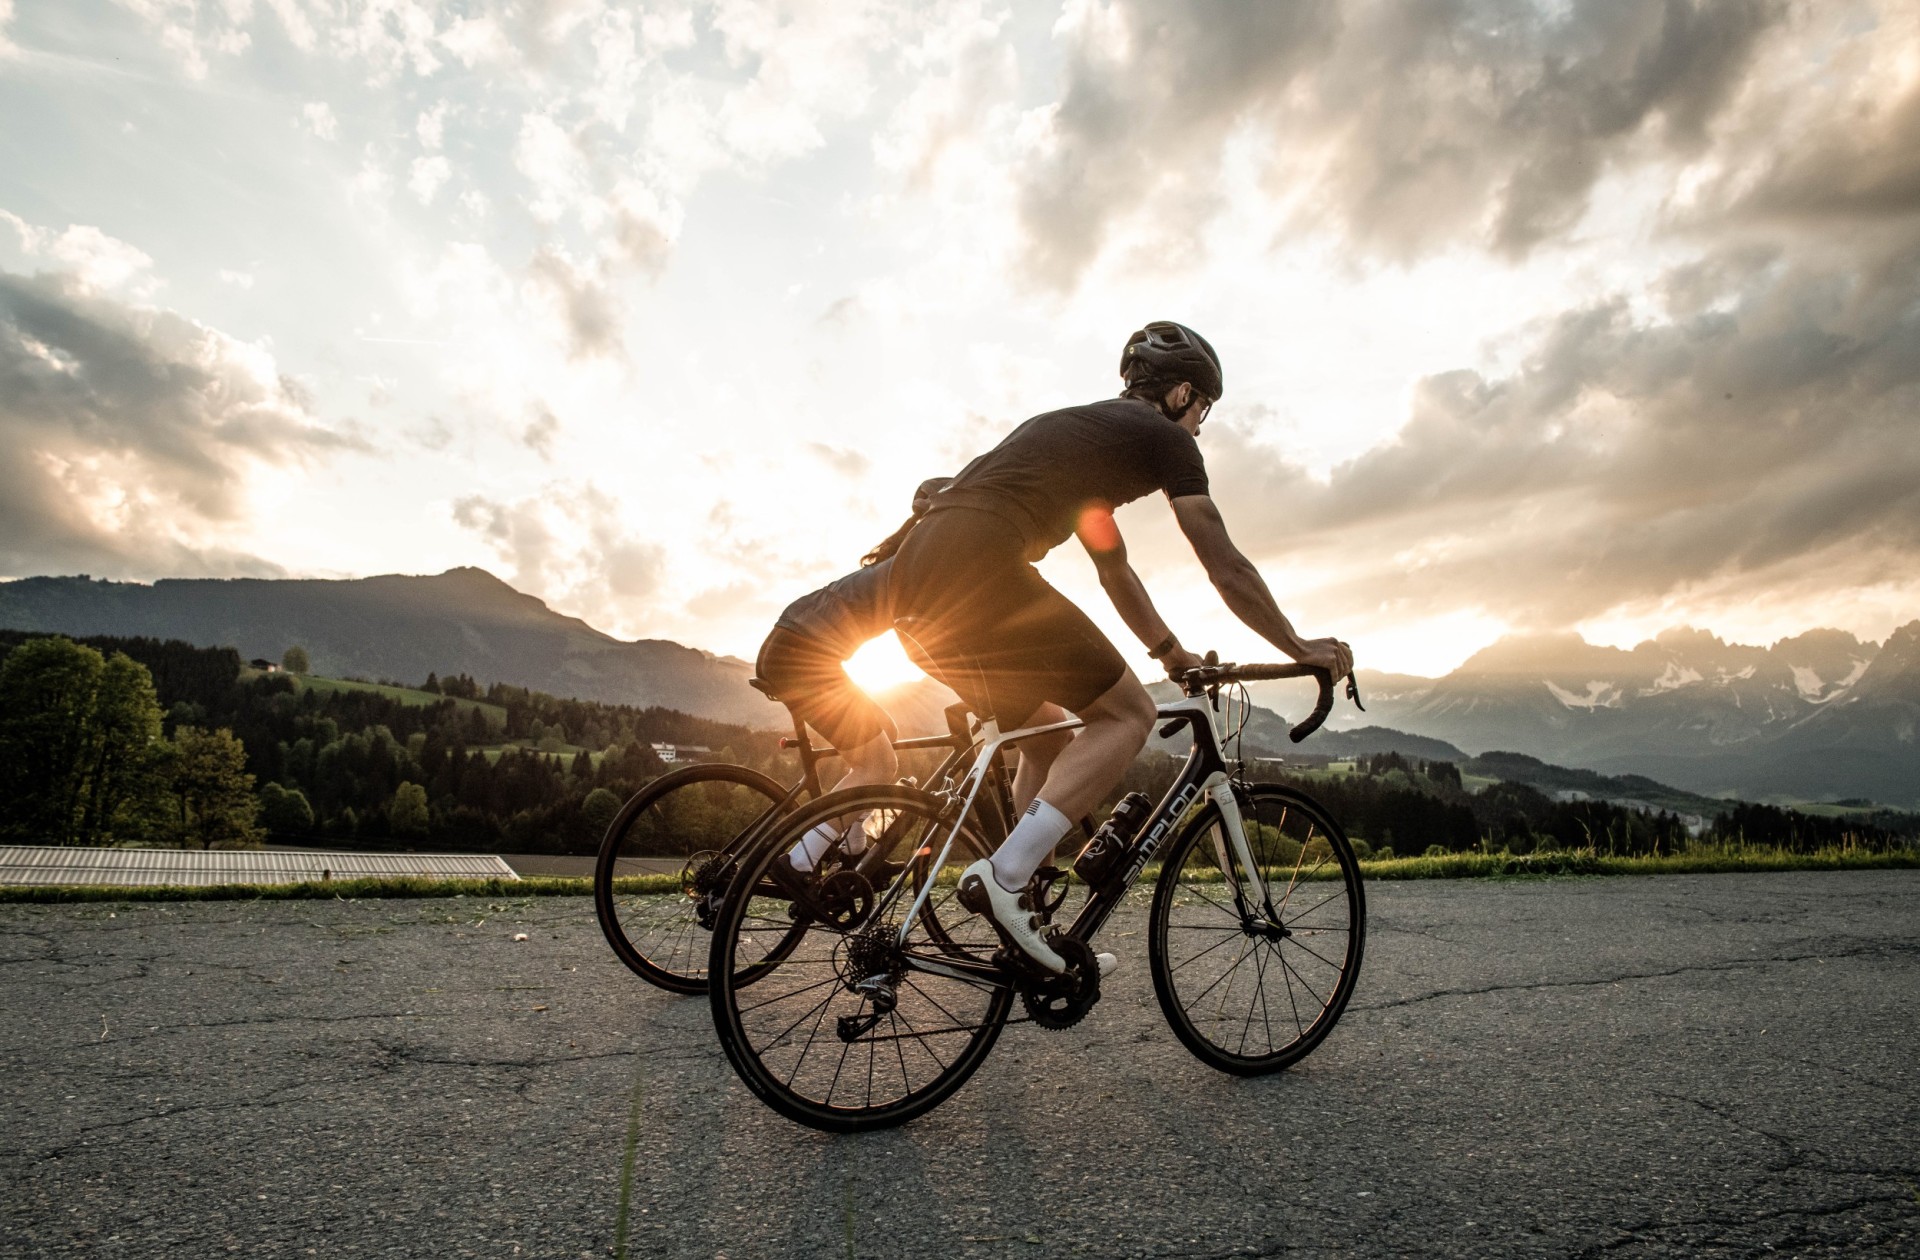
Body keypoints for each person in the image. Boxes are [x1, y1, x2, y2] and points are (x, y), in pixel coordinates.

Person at [889, 321, 1352, 973]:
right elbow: (1224, 564)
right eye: (1205, 410)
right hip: (980, 570)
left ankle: (1028, 916)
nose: (1201, 426)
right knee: (1128, 714)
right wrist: (1298, 644)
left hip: (911, 583)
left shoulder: (1084, 449)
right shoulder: (1163, 439)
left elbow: (1116, 572)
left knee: (1044, 733)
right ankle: (1005, 878)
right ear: (1183, 393)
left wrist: (1169, 652)